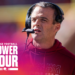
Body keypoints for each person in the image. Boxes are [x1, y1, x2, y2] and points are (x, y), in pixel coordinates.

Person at [20, 1, 75, 75]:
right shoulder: (14, 57)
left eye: (43, 20)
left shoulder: (70, 61)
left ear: (57, 27)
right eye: (33, 19)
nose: (36, 23)